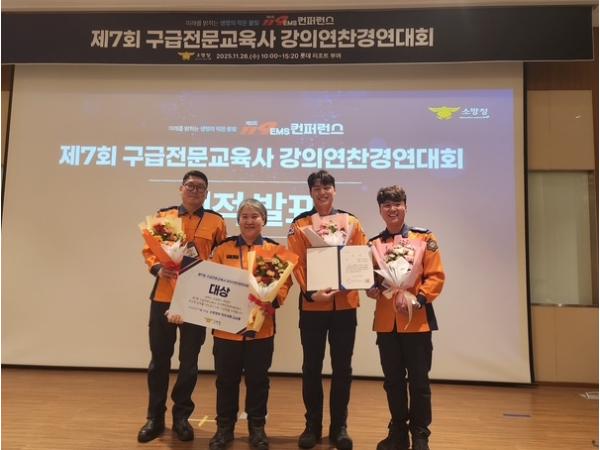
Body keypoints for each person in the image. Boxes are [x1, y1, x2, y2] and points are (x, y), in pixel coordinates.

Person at [138, 170, 227, 443]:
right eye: (190, 185)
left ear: (206, 193)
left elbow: (222, 256)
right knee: (159, 360)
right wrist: (157, 268)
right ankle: (154, 417)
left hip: (196, 300)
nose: (195, 190)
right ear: (181, 188)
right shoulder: (164, 216)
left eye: (200, 187)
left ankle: (181, 417)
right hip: (164, 296)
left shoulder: (216, 221)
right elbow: (149, 250)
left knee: (189, 362)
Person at [201, 198, 292, 450]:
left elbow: (285, 283)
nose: (249, 221)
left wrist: (272, 302)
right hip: (226, 330)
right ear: (238, 220)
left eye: (255, 216)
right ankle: (224, 429)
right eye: (245, 216)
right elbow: (210, 281)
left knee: (258, 381)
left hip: (261, 330)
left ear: (264, 220)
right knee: (225, 381)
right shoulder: (223, 249)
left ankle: (257, 428)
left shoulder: (276, 250)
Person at [287, 170, 367, 450]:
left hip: (345, 305)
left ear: (334, 190)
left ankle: (339, 427)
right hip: (313, 307)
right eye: (317, 188)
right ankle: (312, 426)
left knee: (343, 367)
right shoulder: (300, 224)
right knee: (311, 367)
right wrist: (312, 293)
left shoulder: (351, 222)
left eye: (327, 187)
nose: (322, 192)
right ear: (310, 193)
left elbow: (360, 257)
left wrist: (353, 282)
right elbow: (296, 263)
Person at [366, 185, 445, 450]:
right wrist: (371, 288)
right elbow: (371, 280)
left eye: (397, 204)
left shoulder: (424, 238)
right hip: (386, 323)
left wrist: (419, 298)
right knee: (393, 382)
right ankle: (398, 433)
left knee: (419, 382)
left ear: (406, 207)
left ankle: (420, 435)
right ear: (380, 210)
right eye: (386, 205)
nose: (392, 209)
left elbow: (435, 276)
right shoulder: (374, 245)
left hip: (417, 321)